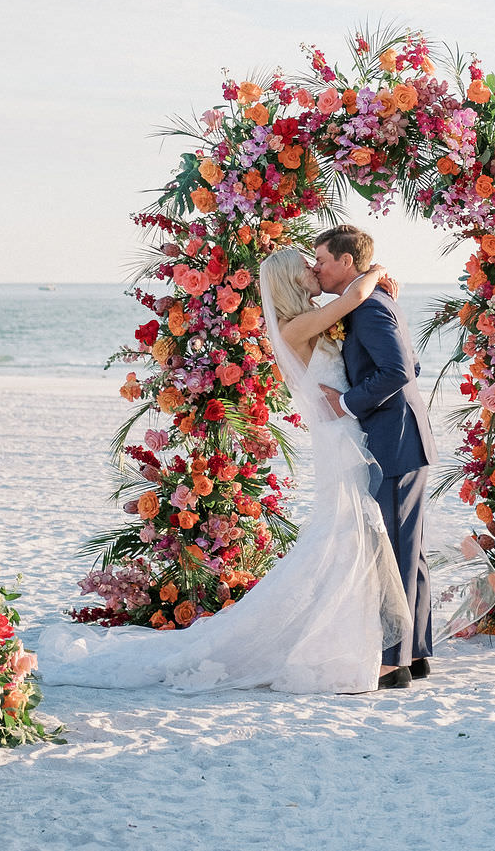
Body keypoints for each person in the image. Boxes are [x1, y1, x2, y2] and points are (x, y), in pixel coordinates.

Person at [38, 250, 411, 695]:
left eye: (316, 264)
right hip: (340, 438)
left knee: (350, 535)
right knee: (345, 534)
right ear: (292, 282)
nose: (314, 270)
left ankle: (361, 638)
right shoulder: (296, 326)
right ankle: (346, 642)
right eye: (306, 269)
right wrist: (375, 271)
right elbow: (354, 297)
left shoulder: (313, 319)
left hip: (346, 431)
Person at [313, 224, 438, 690]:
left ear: (347, 262)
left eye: (323, 259)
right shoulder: (374, 301)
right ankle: (417, 651)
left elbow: (401, 370)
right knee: (409, 549)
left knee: (394, 550)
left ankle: (393, 662)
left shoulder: (367, 306)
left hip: (394, 441)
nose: (318, 268)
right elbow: (412, 365)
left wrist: (345, 402)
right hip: (403, 436)